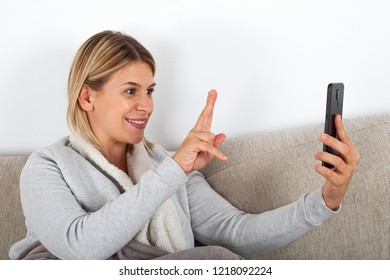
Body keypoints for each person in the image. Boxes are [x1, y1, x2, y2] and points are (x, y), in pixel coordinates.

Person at [9, 30, 360, 260]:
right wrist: (174, 171)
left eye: (149, 91)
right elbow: (79, 248)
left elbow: (236, 232)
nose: (146, 105)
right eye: (130, 90)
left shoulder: (167, 165)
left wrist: (325, 201)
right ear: (87, 97)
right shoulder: (47, 166)